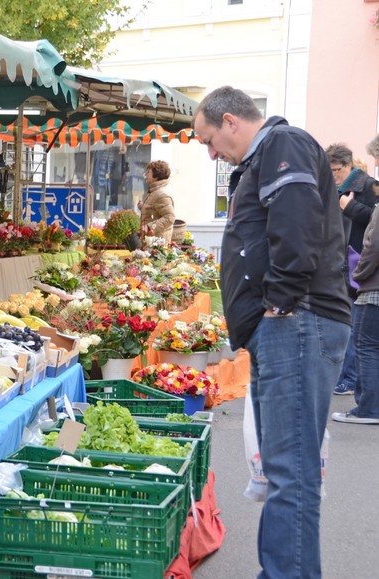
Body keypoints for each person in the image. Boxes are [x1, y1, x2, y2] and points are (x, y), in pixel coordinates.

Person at [193, 86, 350, 579]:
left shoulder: (283, 145)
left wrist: (278, 303)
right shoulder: (274, 154)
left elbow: (296, 230)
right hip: (289, 325)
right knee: (287, 471)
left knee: (290, 474)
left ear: (231, 121)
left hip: (297, 323)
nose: (212, 153)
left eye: (209, 140)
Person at [324, 143, 378, 397]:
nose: (333, 174)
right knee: (347, 323)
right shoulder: (336, 189)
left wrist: (349, 206)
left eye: (336, 170)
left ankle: (350, 379)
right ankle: (345, 377)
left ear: (348, 166)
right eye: (330, 170)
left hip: (359, 262)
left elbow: (373, 219)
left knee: (356, 328)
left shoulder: (366, 186)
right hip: (341, 261)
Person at [138, 160, 176, 241]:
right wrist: (143, 207)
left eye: (148, 172)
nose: (145, 175)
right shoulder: (155, 191)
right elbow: (155, 211)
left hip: (158, 243)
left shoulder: (162, 194)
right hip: (151, 241)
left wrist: (149, 227)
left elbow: (169, 218)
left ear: (156, 175)